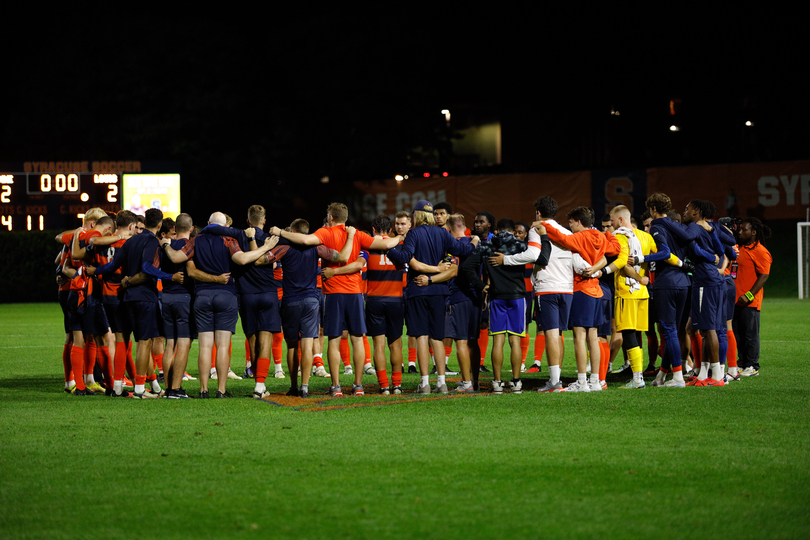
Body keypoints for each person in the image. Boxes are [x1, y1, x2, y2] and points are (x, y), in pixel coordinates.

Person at [269, 202, 402, 397]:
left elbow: (305, 241)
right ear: (346, 218)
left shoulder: (325, 232)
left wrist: (280, 232)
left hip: (332, 292)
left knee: (334, 339)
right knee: (357, 339)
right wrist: (400, 236)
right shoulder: (356, 234)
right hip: (355, 292)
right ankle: (358, 386)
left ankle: (336, 386)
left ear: (330, 217)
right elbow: (386, 244)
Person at [161, 211, 275, 397]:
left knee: (205, 346)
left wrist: (166, 245)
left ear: (208, 223)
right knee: (223, 345)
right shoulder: (229, 241)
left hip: (202, 296)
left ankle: (203, 389)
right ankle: (221, 390)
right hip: (226, 295)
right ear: (225, 227)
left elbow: (176, 258)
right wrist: (266, 247)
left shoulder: (196, 240)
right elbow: (243, 259)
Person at [387, 200, 478, 394]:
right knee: (437, 337)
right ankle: (442, 383)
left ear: (418, 215)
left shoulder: (413, 233)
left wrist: (388, 249)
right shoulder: (443, 233)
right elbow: (464, 251)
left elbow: (404, 258)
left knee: (421, 336)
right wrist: (475, 241)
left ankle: (425, 382)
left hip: (418, 290)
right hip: (439, 291)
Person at [254, 218, 351, 398]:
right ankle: (305, 387)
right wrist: (351, 238)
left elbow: (260, 261)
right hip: (311, 300)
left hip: (290, 300)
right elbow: (341, 257)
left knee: (292, 346)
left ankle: (293, 386)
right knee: (307, 343)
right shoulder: (316, 248)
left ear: (292, 230)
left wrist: (266, 246)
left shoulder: (285, 248)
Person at [94, 208, 184, 399]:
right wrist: (171, 276)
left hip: (127, 298)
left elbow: (112, 266)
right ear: (159, 225)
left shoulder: (130, 240)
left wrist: (94, 271)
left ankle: (117, 386)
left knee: (123, 341)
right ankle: (140, 390)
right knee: (144, 343)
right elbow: (146, 267)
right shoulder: (152, 242)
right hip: (145, 298)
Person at [500, 196, 570, 393]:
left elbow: (532, 255)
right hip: (566, 288)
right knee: (558, 334)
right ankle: (557, 379)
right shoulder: (565, 231)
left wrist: (506, 260)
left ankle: (555, 382)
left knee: (550, 333)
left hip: (548, 286)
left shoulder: (537, 229)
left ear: (538, 213)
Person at [542, 207, 608, 392]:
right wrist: (596, 268)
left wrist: (545, 225)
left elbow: (563, 240)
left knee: (579, 337)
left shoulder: (580, 237)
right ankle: (595, 381)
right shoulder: (600, 236)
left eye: (571, 222)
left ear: (578, 222)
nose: (569, 227)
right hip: (597, 290)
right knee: (593, 337)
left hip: (582, 289)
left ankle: (581, 382)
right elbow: (608, 254)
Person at [463, 218, 528, 394]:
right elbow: (538, 257)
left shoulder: (488, 246)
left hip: (497, 297)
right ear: (512, 231)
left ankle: (497, 383)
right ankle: (515, 382)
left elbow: (467, 267)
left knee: (497, 340)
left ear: (497, 231)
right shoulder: (520, 245)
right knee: (514, 340)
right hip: (517, 296)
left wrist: (482, 285)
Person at [364, 214, 407, 394]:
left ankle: (384, 386)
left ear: (373, 229)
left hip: (374, 300)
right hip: (396, 299)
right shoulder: (400, 245)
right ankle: (396, 384)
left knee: (378, 345)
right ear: (390, 229)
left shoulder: (367, 246)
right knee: (395, 345)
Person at [733, 218, 772, 377]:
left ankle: (753, 366)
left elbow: (764, 276)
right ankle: (741, 363)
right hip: (734, 299)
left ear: (753, 232)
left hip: (750, 302)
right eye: (740, 229)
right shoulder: (738, 248)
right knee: (737, 334)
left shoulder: (760, 251)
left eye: (744, 230)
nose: (740, 232)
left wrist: (749, 295)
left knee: (750, 335)